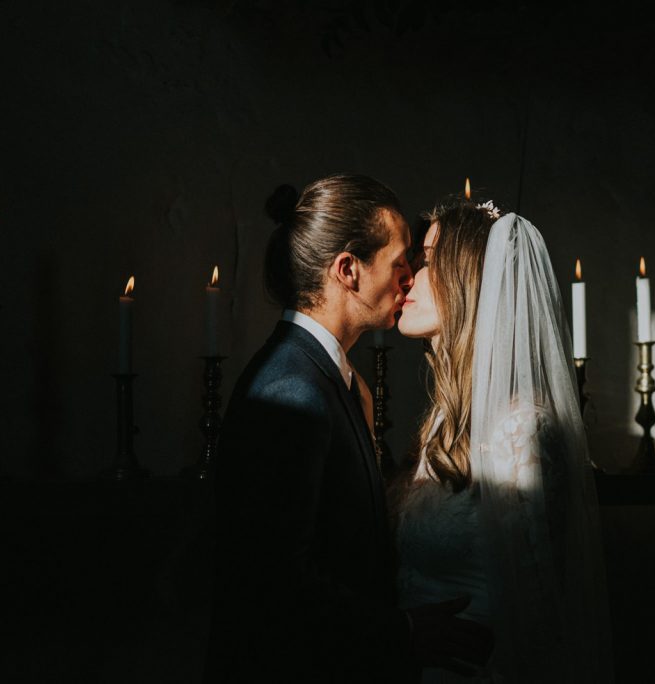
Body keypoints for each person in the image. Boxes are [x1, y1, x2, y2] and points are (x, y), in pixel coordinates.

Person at [203, 174, 492, 683]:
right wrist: (402, 631)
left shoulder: (331, 377)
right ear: (348, 270)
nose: (410, 276)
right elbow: (272, 581)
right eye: (400, 260)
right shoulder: (292, 390)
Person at [394, 198, 615, 683]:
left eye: (428, 261)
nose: (408, 274)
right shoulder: (444, 423)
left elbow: (539, 611)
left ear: (468, 279)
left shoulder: (524, 430)